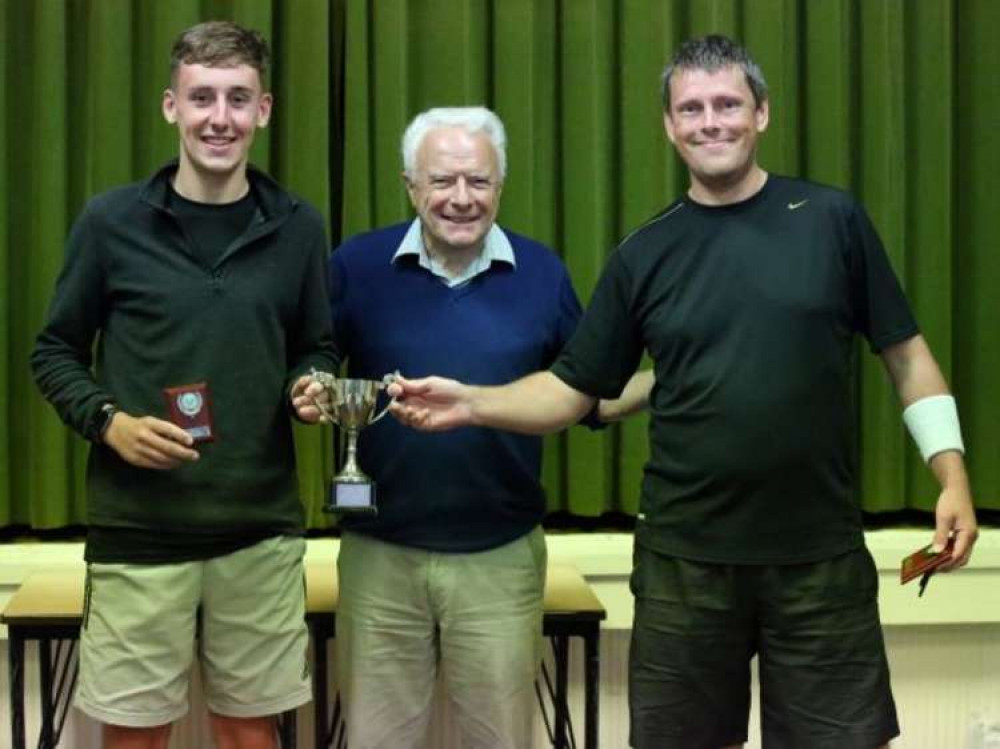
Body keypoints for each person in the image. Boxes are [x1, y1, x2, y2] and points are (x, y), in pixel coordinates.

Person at [389, 36, 979, 749]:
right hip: (683, 566)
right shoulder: (645, 254)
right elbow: (574, 391)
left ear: (761, 113)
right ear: (670, 126)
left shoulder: (832, 221)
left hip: (818, 557)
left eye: (728, 104)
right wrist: (472, 403)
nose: (711, 122)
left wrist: (951, 475)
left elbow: (907, 355)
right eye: (691, 108)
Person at [31, 21, 337, 749]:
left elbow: (315, 346)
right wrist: (109, 422)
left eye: (238, 98)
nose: (219, 118)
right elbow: (54, 352)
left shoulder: (298, 228)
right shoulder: (110, 223)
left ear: (265, 110)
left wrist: (312, 384)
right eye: (202, 97)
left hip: (259, 530)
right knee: (136, 736)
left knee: (249, 732)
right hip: (138, 531)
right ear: (171, 106)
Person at [327, 106, 649, 749]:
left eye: (479, 182)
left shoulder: (543, 273)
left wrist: (677, 376)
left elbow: (586, 394)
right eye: (442, 181)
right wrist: (307, 389)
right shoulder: (354, 267)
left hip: (500, 561)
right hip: (379, 560)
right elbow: (311, 366)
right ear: (410, 185)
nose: (461, 198)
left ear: (500, 186)